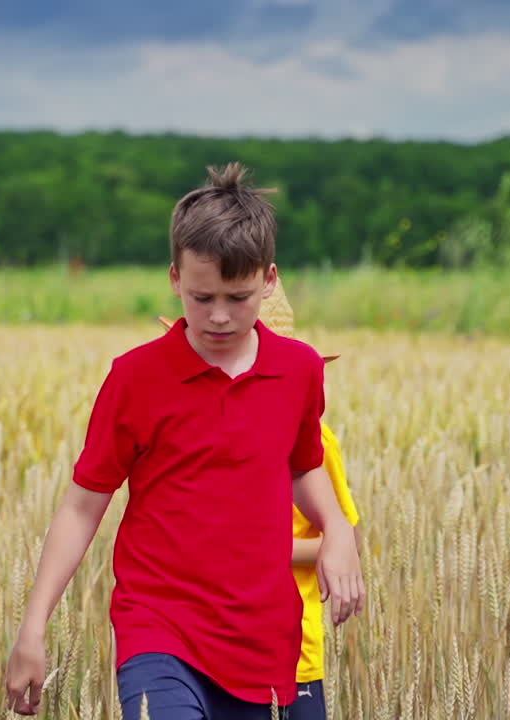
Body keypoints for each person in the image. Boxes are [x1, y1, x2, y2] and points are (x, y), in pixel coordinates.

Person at [4, 162, 364, 719]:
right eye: (201, 298)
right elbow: (81, 507)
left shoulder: (298, 370)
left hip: (262, 637)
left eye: (237, 297)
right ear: (175, 279)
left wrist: (338, 529)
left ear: (269, 280)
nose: (219, 316)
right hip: (158, 626)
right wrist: (33, 626)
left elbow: (302, 465)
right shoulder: (134, 378)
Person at [160, 275, 361, 720]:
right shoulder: (195, 434)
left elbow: (345, 538)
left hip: (294, 650)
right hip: (203, 643)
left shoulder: (319, 444)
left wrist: (261, 553)